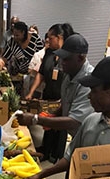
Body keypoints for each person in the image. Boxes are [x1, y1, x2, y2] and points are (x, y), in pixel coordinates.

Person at [17, 55, 110, 179]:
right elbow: (71, 158)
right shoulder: (91, 120)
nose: (89, 96)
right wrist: (40, 175)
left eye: (94, 91)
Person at [26, 23, 76, 162]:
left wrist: (65, 98)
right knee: (47, 125)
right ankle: (46, 151)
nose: (47, 40)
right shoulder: (49, 52)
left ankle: (57, 155)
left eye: (50, 37)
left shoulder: (68, 56)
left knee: (59, 127)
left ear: (59, 38)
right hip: (48, 95)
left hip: (61, 98)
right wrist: (32, 91)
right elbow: (41, 74)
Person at [2, 21, 44, 97]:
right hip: (17, 78)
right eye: (14, 35)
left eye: (17, 35)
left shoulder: (35, 39)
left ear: (24, 33)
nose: (15, 37)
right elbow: (5, 57)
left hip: (33, 78)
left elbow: (42, 57)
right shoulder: (12, 42)